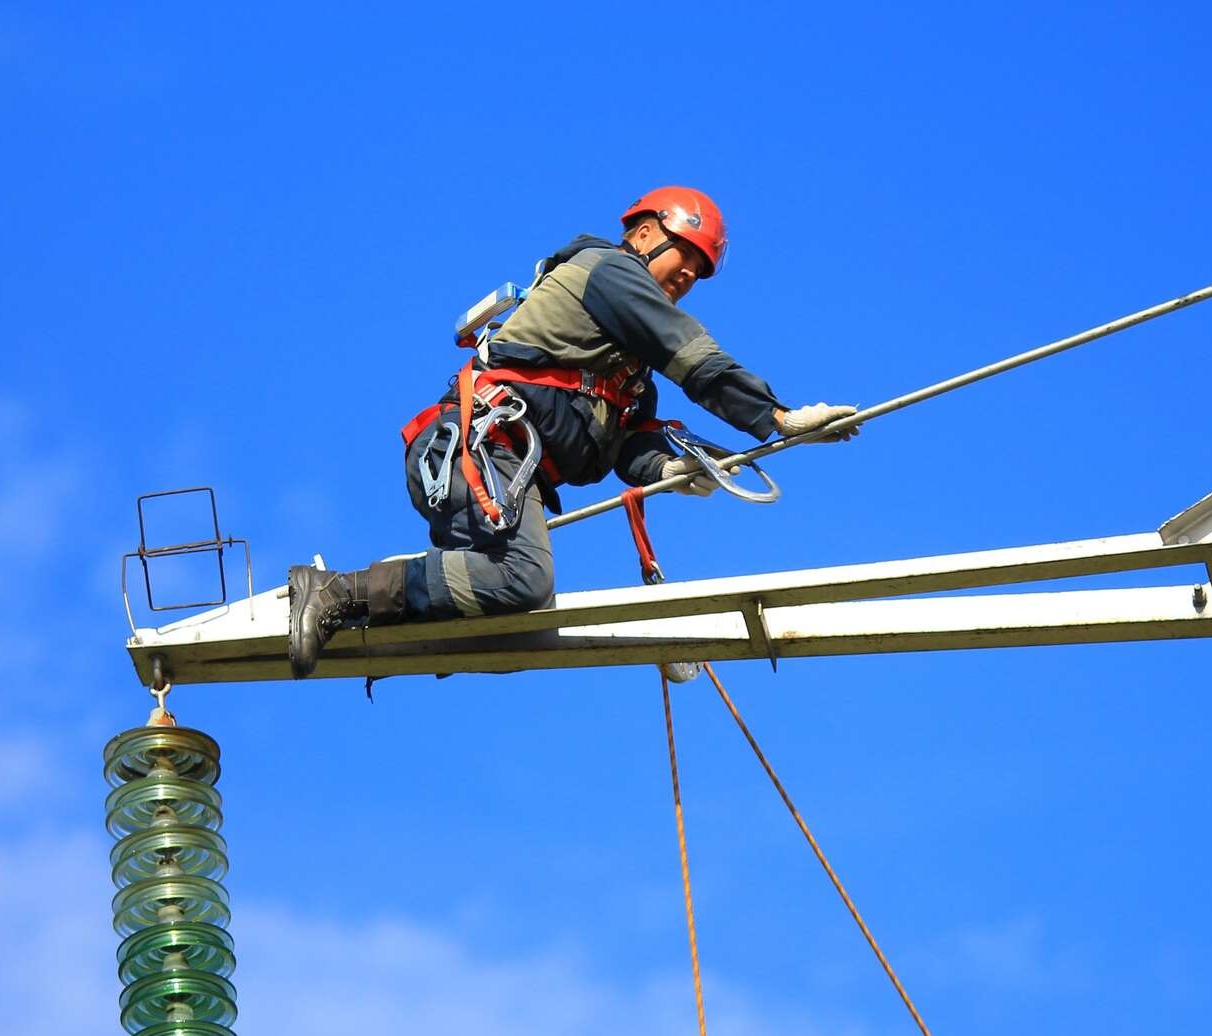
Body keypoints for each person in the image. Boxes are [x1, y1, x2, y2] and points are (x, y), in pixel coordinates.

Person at [286, 186, 860, 678]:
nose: (688, 273)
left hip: (503, 466)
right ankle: (340, 593)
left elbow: (628, 442)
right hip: (479, 446)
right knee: (524, 580)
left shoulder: (624, 367)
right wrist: (777, 419)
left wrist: (669, 467)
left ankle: (378, 600)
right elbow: (691, 356)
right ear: (641, 234)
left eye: (700, 269)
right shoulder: (607, 272)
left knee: (515, 616)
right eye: (685, 252)